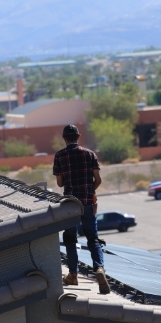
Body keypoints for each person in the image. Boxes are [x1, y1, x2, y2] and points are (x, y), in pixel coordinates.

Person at [53, 124, 110, 294]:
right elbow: (98, 179)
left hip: (71, 204)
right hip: (87, 202)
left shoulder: (60, 156)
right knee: (93, 239)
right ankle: (99, 268)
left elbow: (60, 183)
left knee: (70, 238)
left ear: (64, 138)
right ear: (78, 137)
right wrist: (90, 190)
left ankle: (73, 274)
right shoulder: (90, 154)